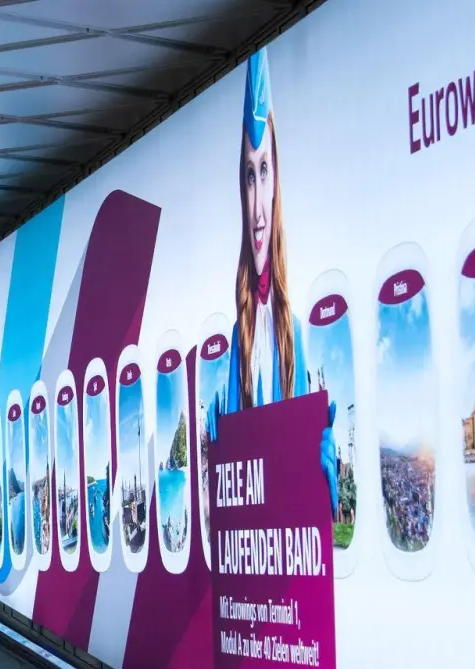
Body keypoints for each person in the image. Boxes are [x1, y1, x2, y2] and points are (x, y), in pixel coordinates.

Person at [211, 49, 338, 516]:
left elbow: (305, 480)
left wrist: (324, 469)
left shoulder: (293, 332)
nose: (259, 206)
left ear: (277, 179)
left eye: (265, 170)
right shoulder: (237, 338)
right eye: (249, 175)